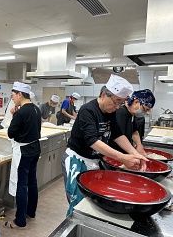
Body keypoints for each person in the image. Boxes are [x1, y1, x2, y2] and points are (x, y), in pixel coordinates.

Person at [61, 74, 148, 216]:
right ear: (103, 95)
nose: (117, 106)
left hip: (95, 161)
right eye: (116, 102)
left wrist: (135, 153)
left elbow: (118, 135)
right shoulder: (87, 110)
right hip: (77, 160)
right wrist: (123, 158)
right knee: (79, 203)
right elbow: (92, 141)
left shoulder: (110, 111)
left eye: (121, 103)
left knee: (92, 202)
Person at [3, 82, 41, 229]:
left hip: (24, 152)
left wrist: (13, 116)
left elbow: (11, 133)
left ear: (20, 94)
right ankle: (31, 212)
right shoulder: (36, 109)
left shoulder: (21, 112)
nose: (12, 99)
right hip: (35, 149)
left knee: (21, 184)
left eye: (13, 95)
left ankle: (20, 220)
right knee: (32, 182)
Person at [109, 89, 156, 155]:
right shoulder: (121, 113)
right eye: (144, 109)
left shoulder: (132, 114)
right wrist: (133, 152)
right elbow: (118, 137)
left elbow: (134, 131)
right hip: (116, 153)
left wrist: (139, 146)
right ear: (136, 102)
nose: (144, 112)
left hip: (125, 151)